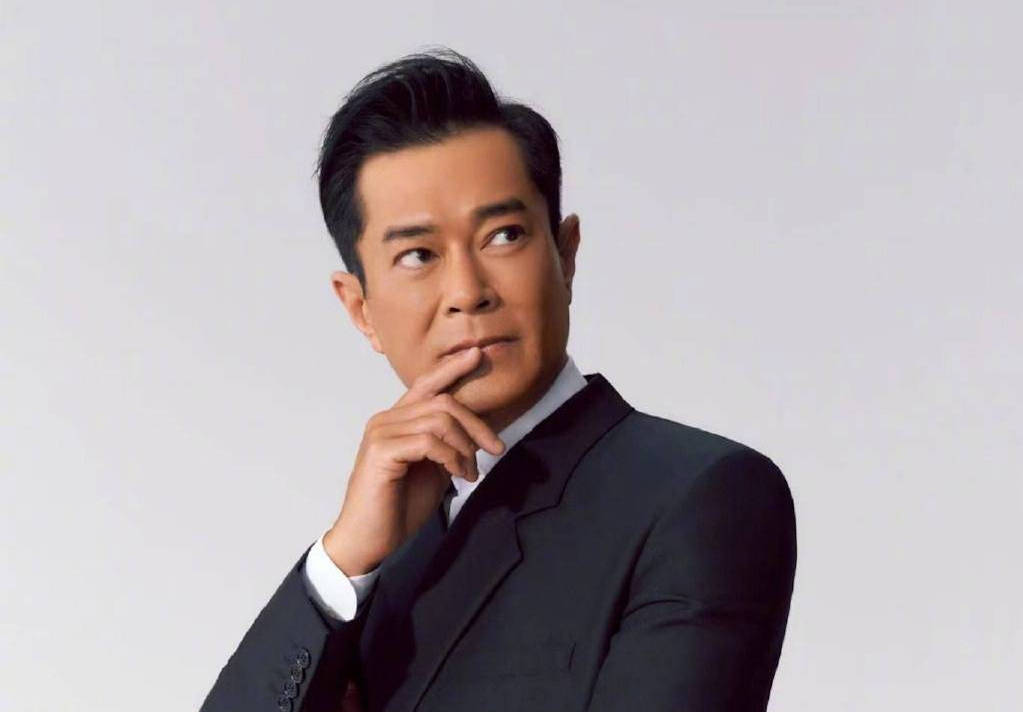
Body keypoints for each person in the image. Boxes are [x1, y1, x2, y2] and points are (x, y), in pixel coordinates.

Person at [199, 46, 796, 712]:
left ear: (565, 255)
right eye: (418, 255)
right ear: (361, 309)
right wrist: (342, 560)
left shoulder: (701, 497)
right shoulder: (371, 561)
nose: (467, 291)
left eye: (504, 236)